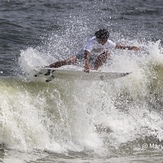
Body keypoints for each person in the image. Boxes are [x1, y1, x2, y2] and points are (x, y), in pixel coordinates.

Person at [48, 29, 140, 72]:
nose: (103, 42)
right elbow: (86, 53)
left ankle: (95, 69)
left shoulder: (108, 42)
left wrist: (130, 48)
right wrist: (86, 63)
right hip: (83, 56)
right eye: (101, 40)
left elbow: (119, 46)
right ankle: (48, 67)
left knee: (107, 52)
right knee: (67, 61)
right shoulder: (91, 41)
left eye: (104, 40)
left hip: (96, 58)